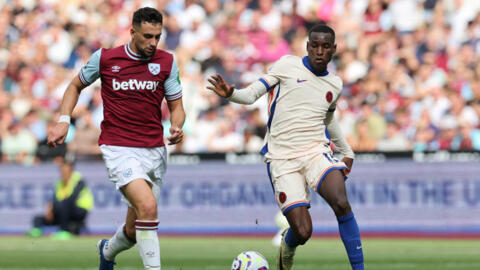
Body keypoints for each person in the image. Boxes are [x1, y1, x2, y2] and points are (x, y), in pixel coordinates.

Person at [207, 24, 364, 270]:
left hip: (316, 151)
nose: (319, 51)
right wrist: (231, 94)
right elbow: (250, 95)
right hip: (282, 158)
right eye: (315, 46)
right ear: (307, 47)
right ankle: (287, 245)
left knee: (341, 202)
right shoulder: (287, 65)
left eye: (325, 46)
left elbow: (328, 119)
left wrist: (347, 151)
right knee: (302, 231)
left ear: (334, 49)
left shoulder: (335, 84)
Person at [47, 7, 185, 270]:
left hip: (154, 150)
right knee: (147, 206)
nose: (153, 43)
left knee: (134, 231)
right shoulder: (106, 58)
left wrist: (177, 126)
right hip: (118, 147)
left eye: (158, 36)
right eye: (147, 36)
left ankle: (107, 251)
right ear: (132, 32)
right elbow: (75, 85)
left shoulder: (167, 62)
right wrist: (64, 121)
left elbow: (177, 106)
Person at [28, 155, 94, 239]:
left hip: (80, 211)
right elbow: (55, 199)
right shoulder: (59, 183)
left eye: (65, 172)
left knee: (64, 205)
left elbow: (71, 199)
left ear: (71, 171)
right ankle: (36, 230)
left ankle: (64, 231)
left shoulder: (79, 181)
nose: (63, 174)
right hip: (63, 211)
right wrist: (51, 209)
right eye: (62, 172)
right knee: (38, 217)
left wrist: (56, 206)